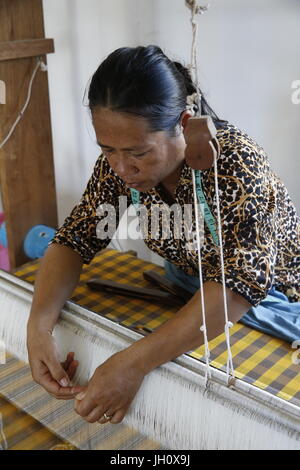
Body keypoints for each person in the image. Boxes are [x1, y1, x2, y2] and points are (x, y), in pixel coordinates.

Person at [27, 45, 300, 426]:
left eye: (138, 152)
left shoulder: (236, 165)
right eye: (107, 149)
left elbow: (238, 285)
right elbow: (74, 239)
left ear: (185, 124)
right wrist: (39, 324)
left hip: (272, 295)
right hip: (195, 283)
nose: (121, 167)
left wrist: (133, 363)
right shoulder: (119, 165)